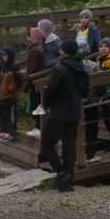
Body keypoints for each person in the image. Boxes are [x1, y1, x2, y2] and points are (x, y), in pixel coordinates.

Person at [39, 40, 89, 192]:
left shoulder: (59, 68)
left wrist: (45, 104)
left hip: (59, 112)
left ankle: (62, 173)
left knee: (47, 143)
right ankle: (68, 181)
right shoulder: (82, 69)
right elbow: (85, 92)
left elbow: (50, 90)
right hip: (74, 112)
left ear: (64, 51)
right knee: (69, 147)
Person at [76, 43, 100, 163]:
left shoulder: (73, 66)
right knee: (92, 126)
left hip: (77, 101)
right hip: (92, 100)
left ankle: (77, 154)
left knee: (76, 126)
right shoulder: (94, 65)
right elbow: (100, 84)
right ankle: (91, 154)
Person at [22, 28, 46, 137]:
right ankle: (39, 127)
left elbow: (32, 69)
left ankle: (38, 128)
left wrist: (25, 86)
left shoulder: (35, 51)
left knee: (35, 106)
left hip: (36, 83)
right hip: (38, 82)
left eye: (29, 36)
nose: (27, 38)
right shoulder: (38, 48)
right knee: (37, 106)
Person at [0, 47, 22, 141]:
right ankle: (5, 132)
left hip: (11, 97)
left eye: (5, 55)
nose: (3, 57)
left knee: (11, 116)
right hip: (3, 96)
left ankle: (12, 134)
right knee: (4, 116)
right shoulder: (3, 67)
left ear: (10, 55)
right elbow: (1, 80)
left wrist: (10, 90)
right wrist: (0, 89)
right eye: (2, 55)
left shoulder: (14, 66)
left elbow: (19, 81)